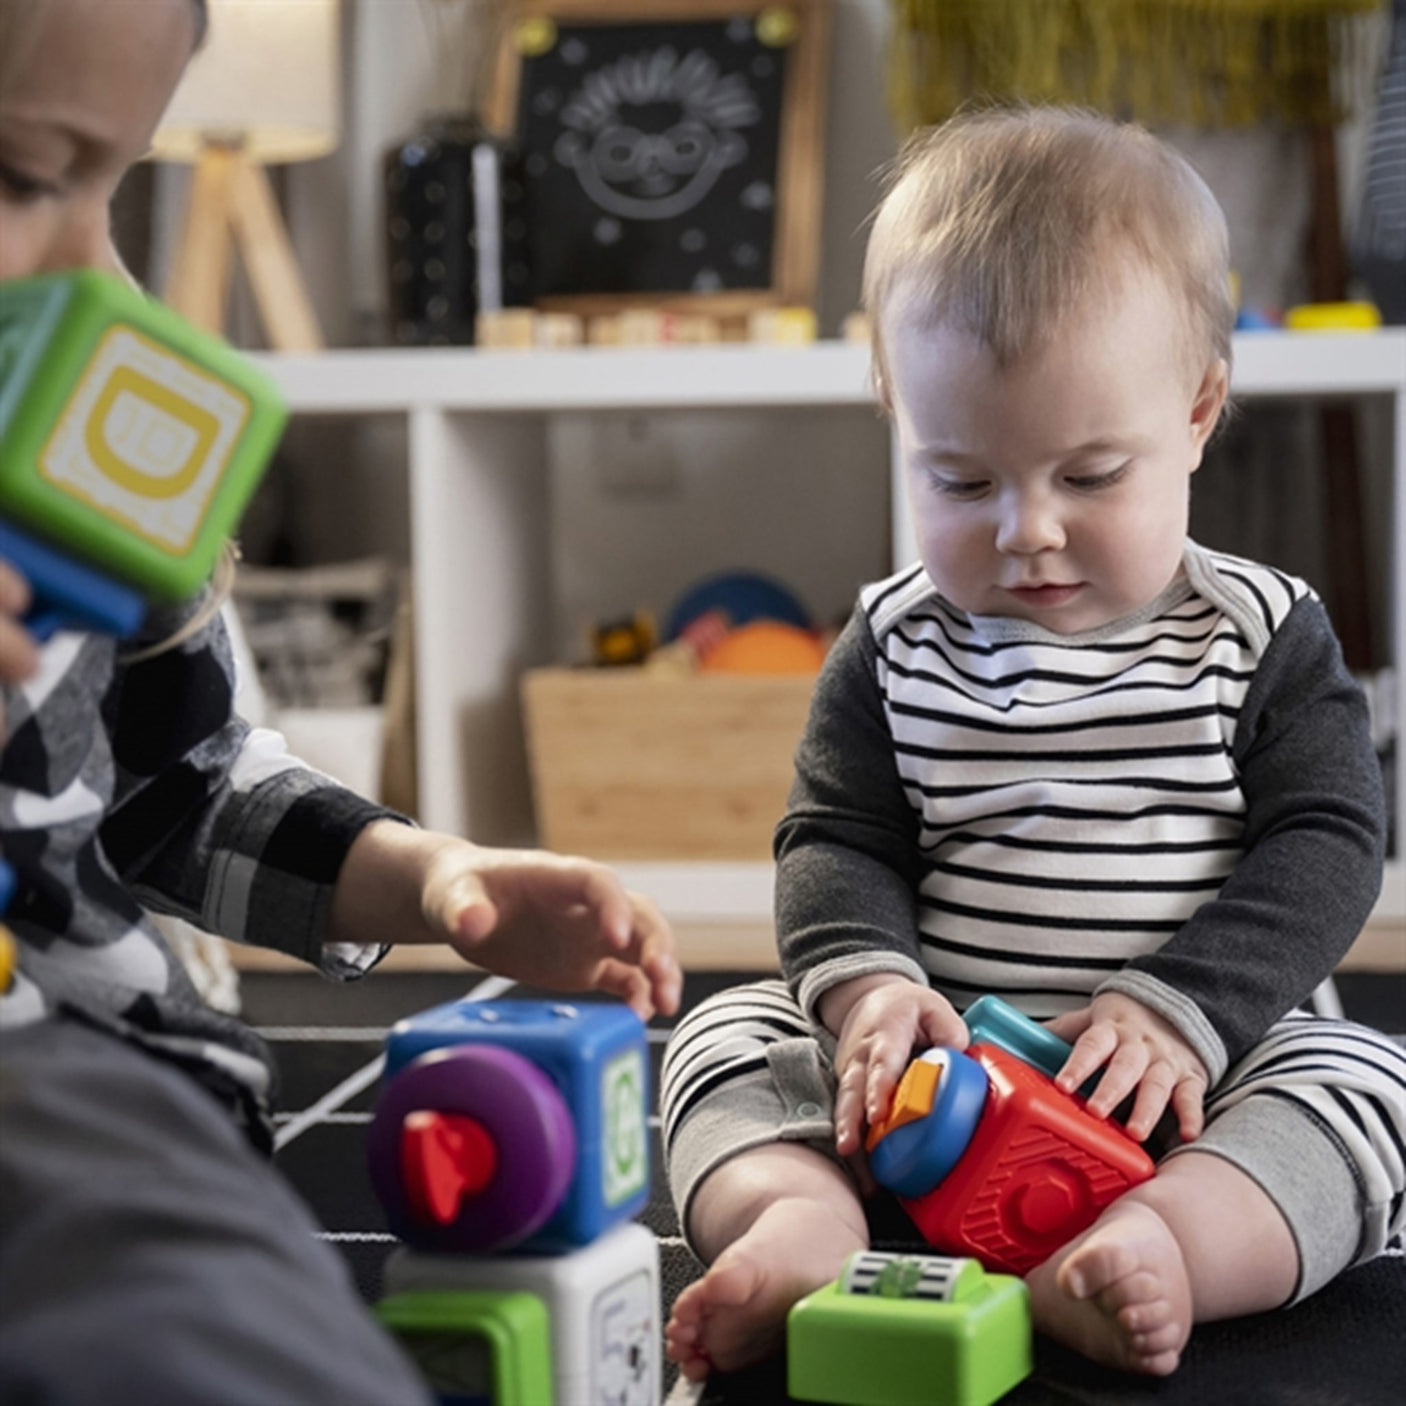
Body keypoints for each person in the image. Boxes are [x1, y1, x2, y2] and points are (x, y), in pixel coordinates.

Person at [659, 105, 1406, 1381]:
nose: (1026, 531)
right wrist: (871, 993)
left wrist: (1186, 1010)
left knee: (1363, 1081)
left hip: (1181, 1095)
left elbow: (1331, 839)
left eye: (1089, 474)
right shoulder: (893, 641)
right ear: (897, 420)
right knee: (718, 1034)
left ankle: (1158, 1244)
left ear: (1196, 414)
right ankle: (803, 1222)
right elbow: (834, 838)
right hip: (924, 1093)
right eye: (959, 481)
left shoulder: (1258, 633)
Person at [0, 2, 680, 1402]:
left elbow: (184, 783)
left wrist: (437, 878)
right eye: (21, 179)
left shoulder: (95, 468)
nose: (97, 273)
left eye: (116, 190)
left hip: (136, 1114)